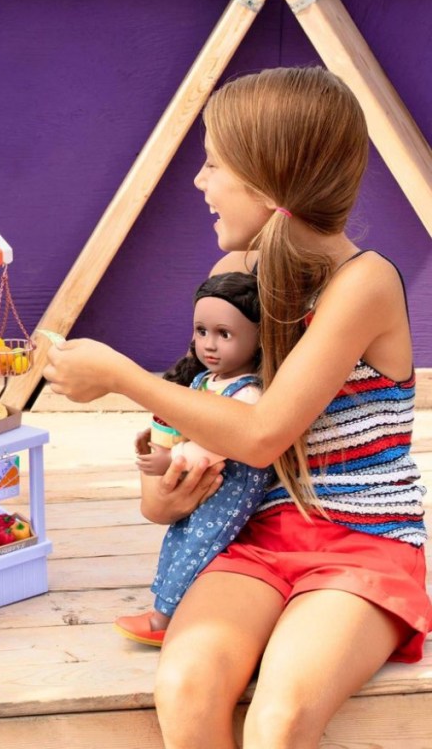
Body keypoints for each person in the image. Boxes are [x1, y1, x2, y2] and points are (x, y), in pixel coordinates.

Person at [44, 66, 430, 748]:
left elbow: (260, 433)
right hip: (257, 540)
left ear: (264, 177)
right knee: (187, 688)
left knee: (278, 722)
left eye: (213, 163)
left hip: (363, 547)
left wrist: (121, 376)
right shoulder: (247, 275)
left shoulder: (364, 283)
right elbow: (212, 407)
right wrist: (162, 486)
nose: (200, 182)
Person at [115, 272, 269, 647]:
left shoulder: (247, 392)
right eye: (201, 332)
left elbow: (217, 442)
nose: (209, 345)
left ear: (258, 338)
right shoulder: (206, 380)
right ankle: (164, 607)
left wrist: (170, 458)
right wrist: (159, 437)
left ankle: (164, 617)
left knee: (199, 548)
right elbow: (185, 420)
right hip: (202, 485)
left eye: (224, 334)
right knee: (178, 540)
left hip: (228, 487)